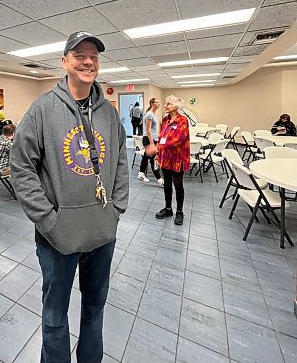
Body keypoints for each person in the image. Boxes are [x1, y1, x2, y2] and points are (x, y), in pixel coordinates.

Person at [10, 31, 129, 363]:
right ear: (64, 62)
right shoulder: (43, 110)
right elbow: (21, 167)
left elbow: (120, 158)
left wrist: (116, 207)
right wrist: (50, 220)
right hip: (57, 238)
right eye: (79, 55)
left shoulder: (108, 113)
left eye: (93, 55)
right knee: (54, 315)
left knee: (94, 309)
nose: (88, 61)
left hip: (102, 234)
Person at [155, 95, 190, 225]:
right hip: (166, 158)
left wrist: (160, 146)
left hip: (178, 159)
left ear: (176, 106)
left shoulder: (183, 121)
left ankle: (179, 212)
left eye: (168, 104)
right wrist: (158, 153)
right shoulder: (165, 120)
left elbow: (179, 139)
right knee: (167, 184)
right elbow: (161, 136)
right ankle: (168, 209)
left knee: (178, 185)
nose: (165, 106)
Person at [138, 98, 164, 187]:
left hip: (153, 138)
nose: (159, 104)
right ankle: (160, 180)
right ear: (152, 103)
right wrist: (152, 142)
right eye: (157, 102)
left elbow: (153, 129)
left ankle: (141, 173)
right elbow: (148, 129)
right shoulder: (149, 114)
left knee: (146, 156)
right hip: (149, 139)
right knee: (153, 159)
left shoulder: (153, 114)